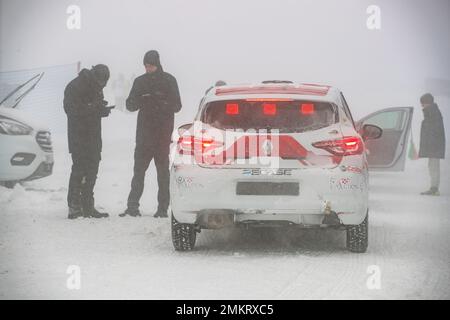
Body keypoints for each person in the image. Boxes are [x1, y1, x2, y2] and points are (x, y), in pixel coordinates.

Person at [120, 50, 182, 218]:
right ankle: (132, 207)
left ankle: (162, 209)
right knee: (138, 172)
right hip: (144, 136)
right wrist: (141, 100)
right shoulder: (140, 82)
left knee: (163, 174)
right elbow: (130, 104)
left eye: (151, 66)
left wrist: (161, 102)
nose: (148, 69)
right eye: (146, 66)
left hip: (162, 136)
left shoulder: (169, 80)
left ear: (157, 64)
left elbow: (177, 105)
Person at [63, 64, 112, 219]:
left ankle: (87, 206)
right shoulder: (74, 86)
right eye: (101, 83)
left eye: (104, 83)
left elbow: (94, 107)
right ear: (94, 76)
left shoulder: (97, 85)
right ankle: (73, 206)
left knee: (92, 170)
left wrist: (102, 110)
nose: (102, 86)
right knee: (79, 169)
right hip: (78, 136)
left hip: (94, 135)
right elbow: (71, 110)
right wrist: (94, 109)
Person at [418, 93, 446, 196]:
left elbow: (433, 131)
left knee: (434, 167)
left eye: (423, 103)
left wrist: (430, 146)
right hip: (434, 146)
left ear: (427, 102)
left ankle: (434, 189)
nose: (422, 106)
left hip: (434, 146)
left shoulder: (432, 113)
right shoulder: (432, 112)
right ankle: (434, 188)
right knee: (432, 166)